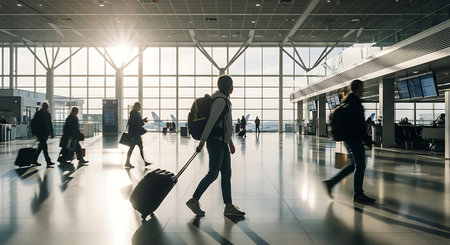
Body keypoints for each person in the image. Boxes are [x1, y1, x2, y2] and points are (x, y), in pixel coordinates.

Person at [186, 75, 245, 217]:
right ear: (228, 87)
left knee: (226, 174)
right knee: (213, 174)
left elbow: (223, 125)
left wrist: (229, 142)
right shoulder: (220, 101)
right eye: (232, 85)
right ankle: (194, 200)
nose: (233, 87)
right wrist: (201, 143)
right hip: (216, 143)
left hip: (222, 143)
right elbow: (211, 123)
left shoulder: (222, 100)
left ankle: (229, 206)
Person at [323, 80, 376, 204]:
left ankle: (331, 183)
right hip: (354, 138)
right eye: (362, 88)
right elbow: (359, 125)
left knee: (354, 165)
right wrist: (367, 140)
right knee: (360, 165)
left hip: (348, 138)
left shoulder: (346, 102)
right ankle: (358, 194)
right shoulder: (356, 104)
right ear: (358, 89)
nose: (364, 90)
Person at [125, 102, 151, 169]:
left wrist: (142, 120)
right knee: (137, 148)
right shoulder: (135, 113)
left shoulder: (133, 113)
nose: (140, 108)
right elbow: (136, 123)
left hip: (134, 133)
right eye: (140, 106)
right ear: (137, 106)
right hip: (135, 134)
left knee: (134, 148)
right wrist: (142, 121)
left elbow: (135, 122)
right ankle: (143, 162)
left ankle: (128, 162)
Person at [31, 102, 55, 167]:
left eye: (46, 106)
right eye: (45, 106)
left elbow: (50, 124)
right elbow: (34, 124)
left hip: (45, 134)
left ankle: (34, 159)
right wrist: (35, 134)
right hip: (41, 134)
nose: (46, 107)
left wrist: (51, 132)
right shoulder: (39, 114)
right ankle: (48, 161)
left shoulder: (47, 114)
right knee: (44, 147)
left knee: (41, 148)